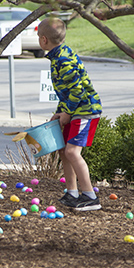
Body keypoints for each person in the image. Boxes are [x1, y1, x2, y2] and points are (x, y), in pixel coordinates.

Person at [38, 17, 102, 211]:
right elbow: (66, 91)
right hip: (75, 110)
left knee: (72, 152)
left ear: (43, 40)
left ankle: (90, 197)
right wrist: (59, 113)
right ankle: (72, 193)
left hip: (85, 111)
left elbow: (77, 91)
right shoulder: (59, 55)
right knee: (63, 149)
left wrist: (67, 112)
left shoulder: (63, 60)